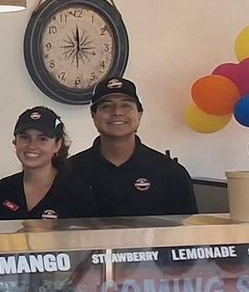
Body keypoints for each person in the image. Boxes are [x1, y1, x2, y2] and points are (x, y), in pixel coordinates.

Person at [69, 78, 199, 217]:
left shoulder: (171, 173)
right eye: (106, 106)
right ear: (94, 116)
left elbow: (187, 233)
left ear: (139, 114)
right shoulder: (71, 171)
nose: (117, 112)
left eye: (126, 105)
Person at [0, 107, 99, 221]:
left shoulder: (76, 192)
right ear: (15, 142)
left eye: (42, 139)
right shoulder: (3, 189)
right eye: (24, 137)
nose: (32, 145)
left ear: (57, 145)